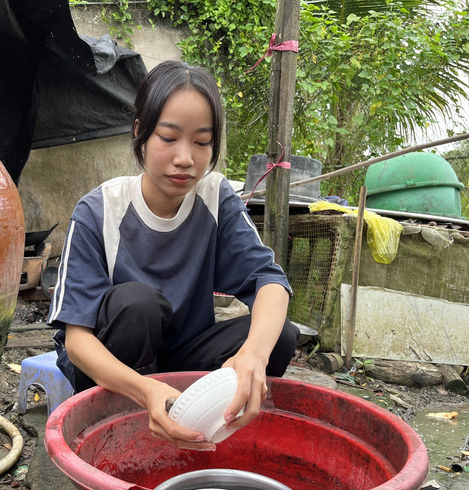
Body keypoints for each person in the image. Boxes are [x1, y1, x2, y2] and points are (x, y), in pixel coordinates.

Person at [47, 60, 299, 451]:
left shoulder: (215, 198)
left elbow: (270, 282)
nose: (186, 158)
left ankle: (202, 426)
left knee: (279, 336)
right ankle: (129, 425)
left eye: (201, 142)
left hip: (183, 359)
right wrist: (147, 390)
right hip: (115, 368)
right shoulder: (100, 210)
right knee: (138, 305)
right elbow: (77, 341)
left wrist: (253, 354)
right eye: (168, 137)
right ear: (140, 133)